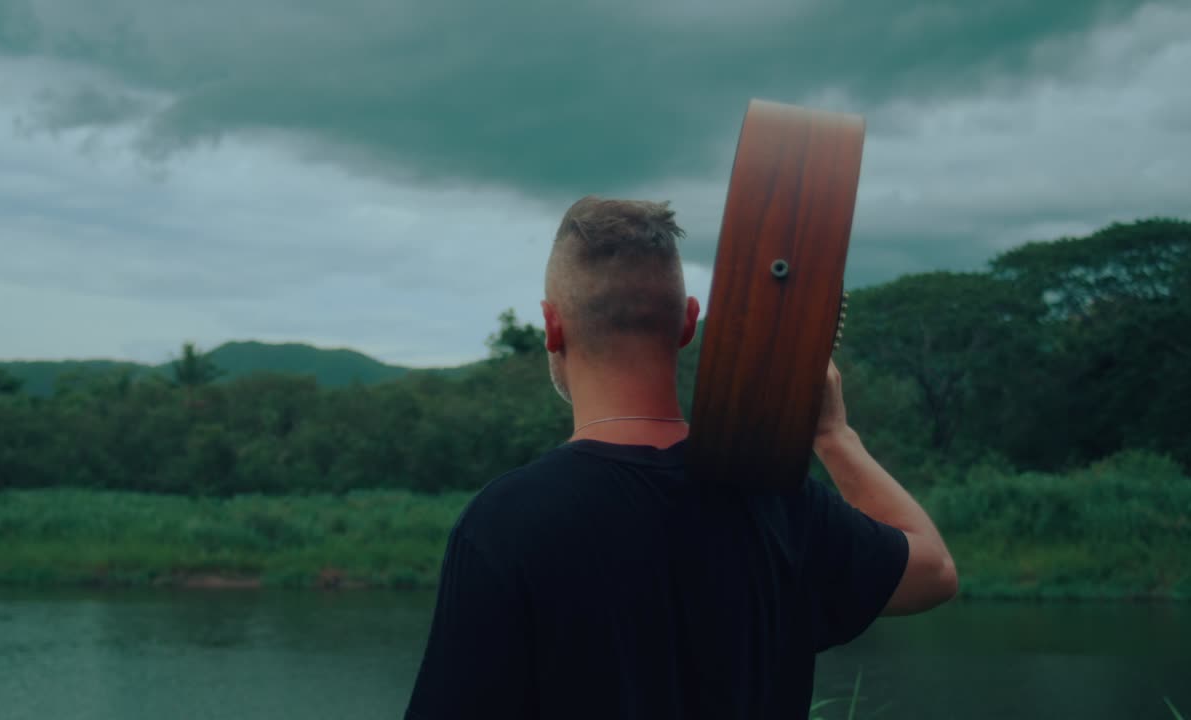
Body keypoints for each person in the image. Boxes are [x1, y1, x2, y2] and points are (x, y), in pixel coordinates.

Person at [404, 197, 957, 719]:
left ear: (552, 326)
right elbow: (933, 571)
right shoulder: (773, 498)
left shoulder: (503, 523)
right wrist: (835, 435)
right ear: (688, 322)